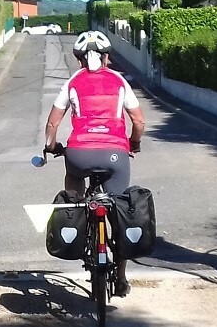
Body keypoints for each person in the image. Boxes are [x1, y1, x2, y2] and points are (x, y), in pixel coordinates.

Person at [42, 30, 146, 296]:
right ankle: (120, 277)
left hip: (79, 153)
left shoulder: (73, 82)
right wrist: (133, 143)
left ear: (79, 60)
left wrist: (51, 146)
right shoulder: (120, 81)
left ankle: (75, 216)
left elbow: (53, 123)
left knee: (74, 186)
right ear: (107, 57)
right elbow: (139, 121)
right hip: (115, 154)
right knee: (119, 212)